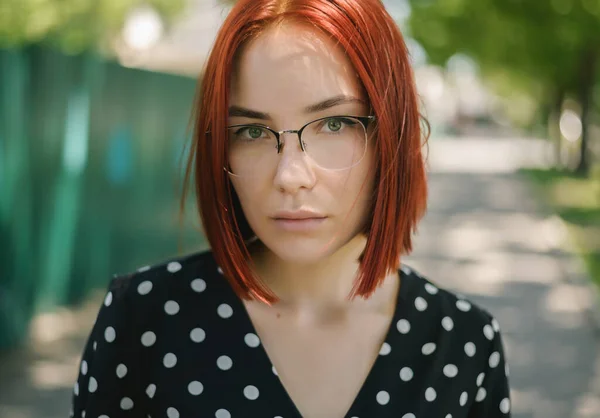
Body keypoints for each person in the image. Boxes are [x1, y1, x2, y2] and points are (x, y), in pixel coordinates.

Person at [71, 0, 511, 417]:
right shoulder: (143, 321)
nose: (289, 175)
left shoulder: (464, 343)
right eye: (251, 132)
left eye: (334, 124)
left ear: (393, 135)